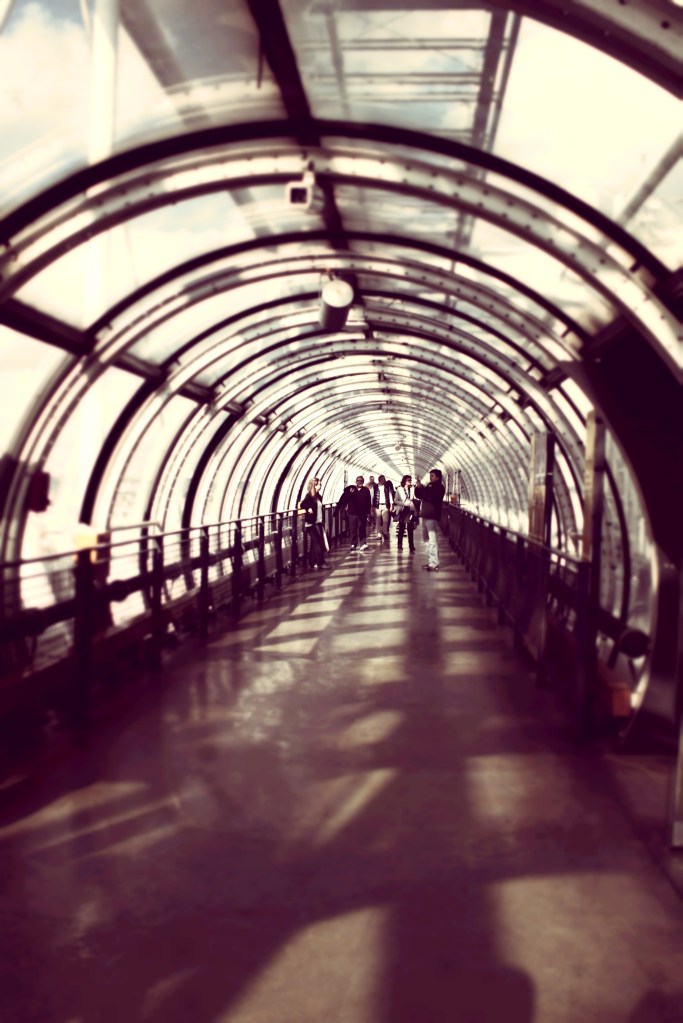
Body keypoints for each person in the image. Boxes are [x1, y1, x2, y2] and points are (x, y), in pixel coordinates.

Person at [414, 468, 445, 571]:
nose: (430, 477)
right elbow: (419, 495)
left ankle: (435, 563)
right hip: (425, 515)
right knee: (426, 540)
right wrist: (418, 487)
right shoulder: (429, 486)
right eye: (430, 475)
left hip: (432, 516)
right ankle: (431, 561)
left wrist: (422, 488)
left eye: (432, 476)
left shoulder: (439, 487)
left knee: (432, 540)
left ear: (438, 477)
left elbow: (430, 497)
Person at [299, 478, 329, 569]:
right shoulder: (309, 496)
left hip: (318, 523)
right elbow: (302, 504)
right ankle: (320, 563)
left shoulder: (318, 496)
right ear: (314, 485)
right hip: (311, 524)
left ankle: (312, 563)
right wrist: (308, 508)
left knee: (314, 543)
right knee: (318, 543)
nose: (321, 486)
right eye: (319, 484)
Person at [338, 475, 371, 551]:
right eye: (358, 480)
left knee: (362, 528)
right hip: (352, 513)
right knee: (353, 529)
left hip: (362, 514)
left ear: (363, 482)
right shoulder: (351, 489)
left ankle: (363, 544)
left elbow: (368, 502)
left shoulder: (366, 490)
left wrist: (368, 513)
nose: (359, 482)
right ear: (356, 482)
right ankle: (353, 544)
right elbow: (345, 498)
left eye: (361, 481)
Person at [393, 474, 416, 553]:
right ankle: (399, 544)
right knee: (402, 528)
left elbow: (414, 498)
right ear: (404, 481)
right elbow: (395, 500)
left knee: (410, 528)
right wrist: (404, 503)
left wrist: (412, 503)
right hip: (403, 510)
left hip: (410, 510)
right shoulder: (399, 489)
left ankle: (411, 546)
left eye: (410, 480)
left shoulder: (412, 489)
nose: (410, 481)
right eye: (408, 480)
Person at [376, 475, 395, 543]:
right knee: (378, 520)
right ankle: (378, 534)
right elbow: (372, 497)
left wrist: (391, 505)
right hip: (377, 506)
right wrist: (371, 507)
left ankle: (385, 532)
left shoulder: (387, 487)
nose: (385, 480)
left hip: (385, 505)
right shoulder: (375, 487)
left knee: (385, 520)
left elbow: (390, 496)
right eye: (384, 479)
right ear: (380, 480)